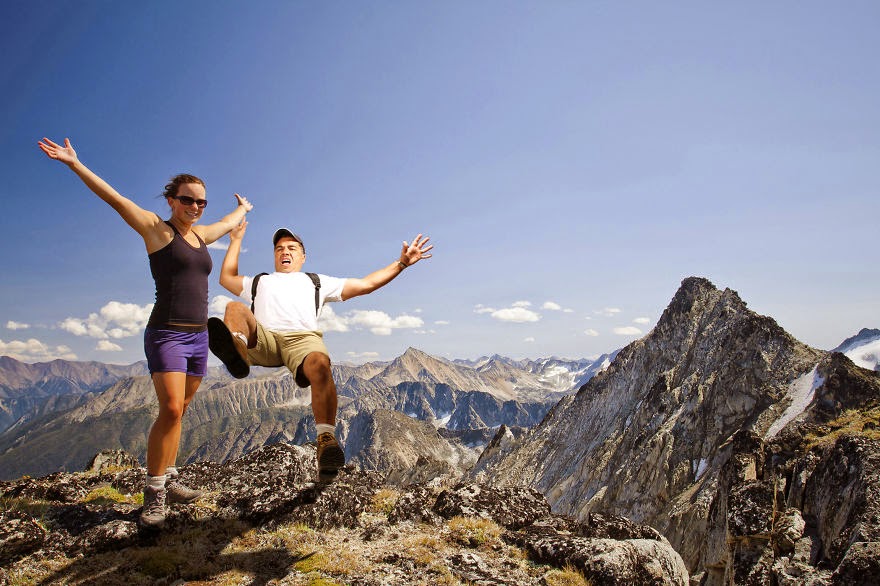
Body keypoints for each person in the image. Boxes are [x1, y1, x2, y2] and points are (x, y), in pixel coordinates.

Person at [38, 137, 253, 528]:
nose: (195, 207)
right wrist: (75, 164)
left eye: (201, 202)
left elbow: (226, 224)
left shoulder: (200, 235)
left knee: (182, 411)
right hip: (166, 334)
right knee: (170, 408)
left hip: (199, 337)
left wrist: (241, 209)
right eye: (188, 200)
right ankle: (153, 493)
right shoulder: (157, 229)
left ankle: (170, 476)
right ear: (171, 200)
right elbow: (115, 199)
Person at [210, 220, 432, 480]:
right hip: (264, 338)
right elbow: (226, 278)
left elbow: (365, 284)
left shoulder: (316, 282)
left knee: (320, 363)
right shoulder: (259, 281)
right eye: (279, 249)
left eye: (292, 248)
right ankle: (237, 352)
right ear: (273, 256)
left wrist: (401, 263)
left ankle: (326, 441)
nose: (285, 252)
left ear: (303, 256)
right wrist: (235, 238)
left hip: (302, 340)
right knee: (234, 309)